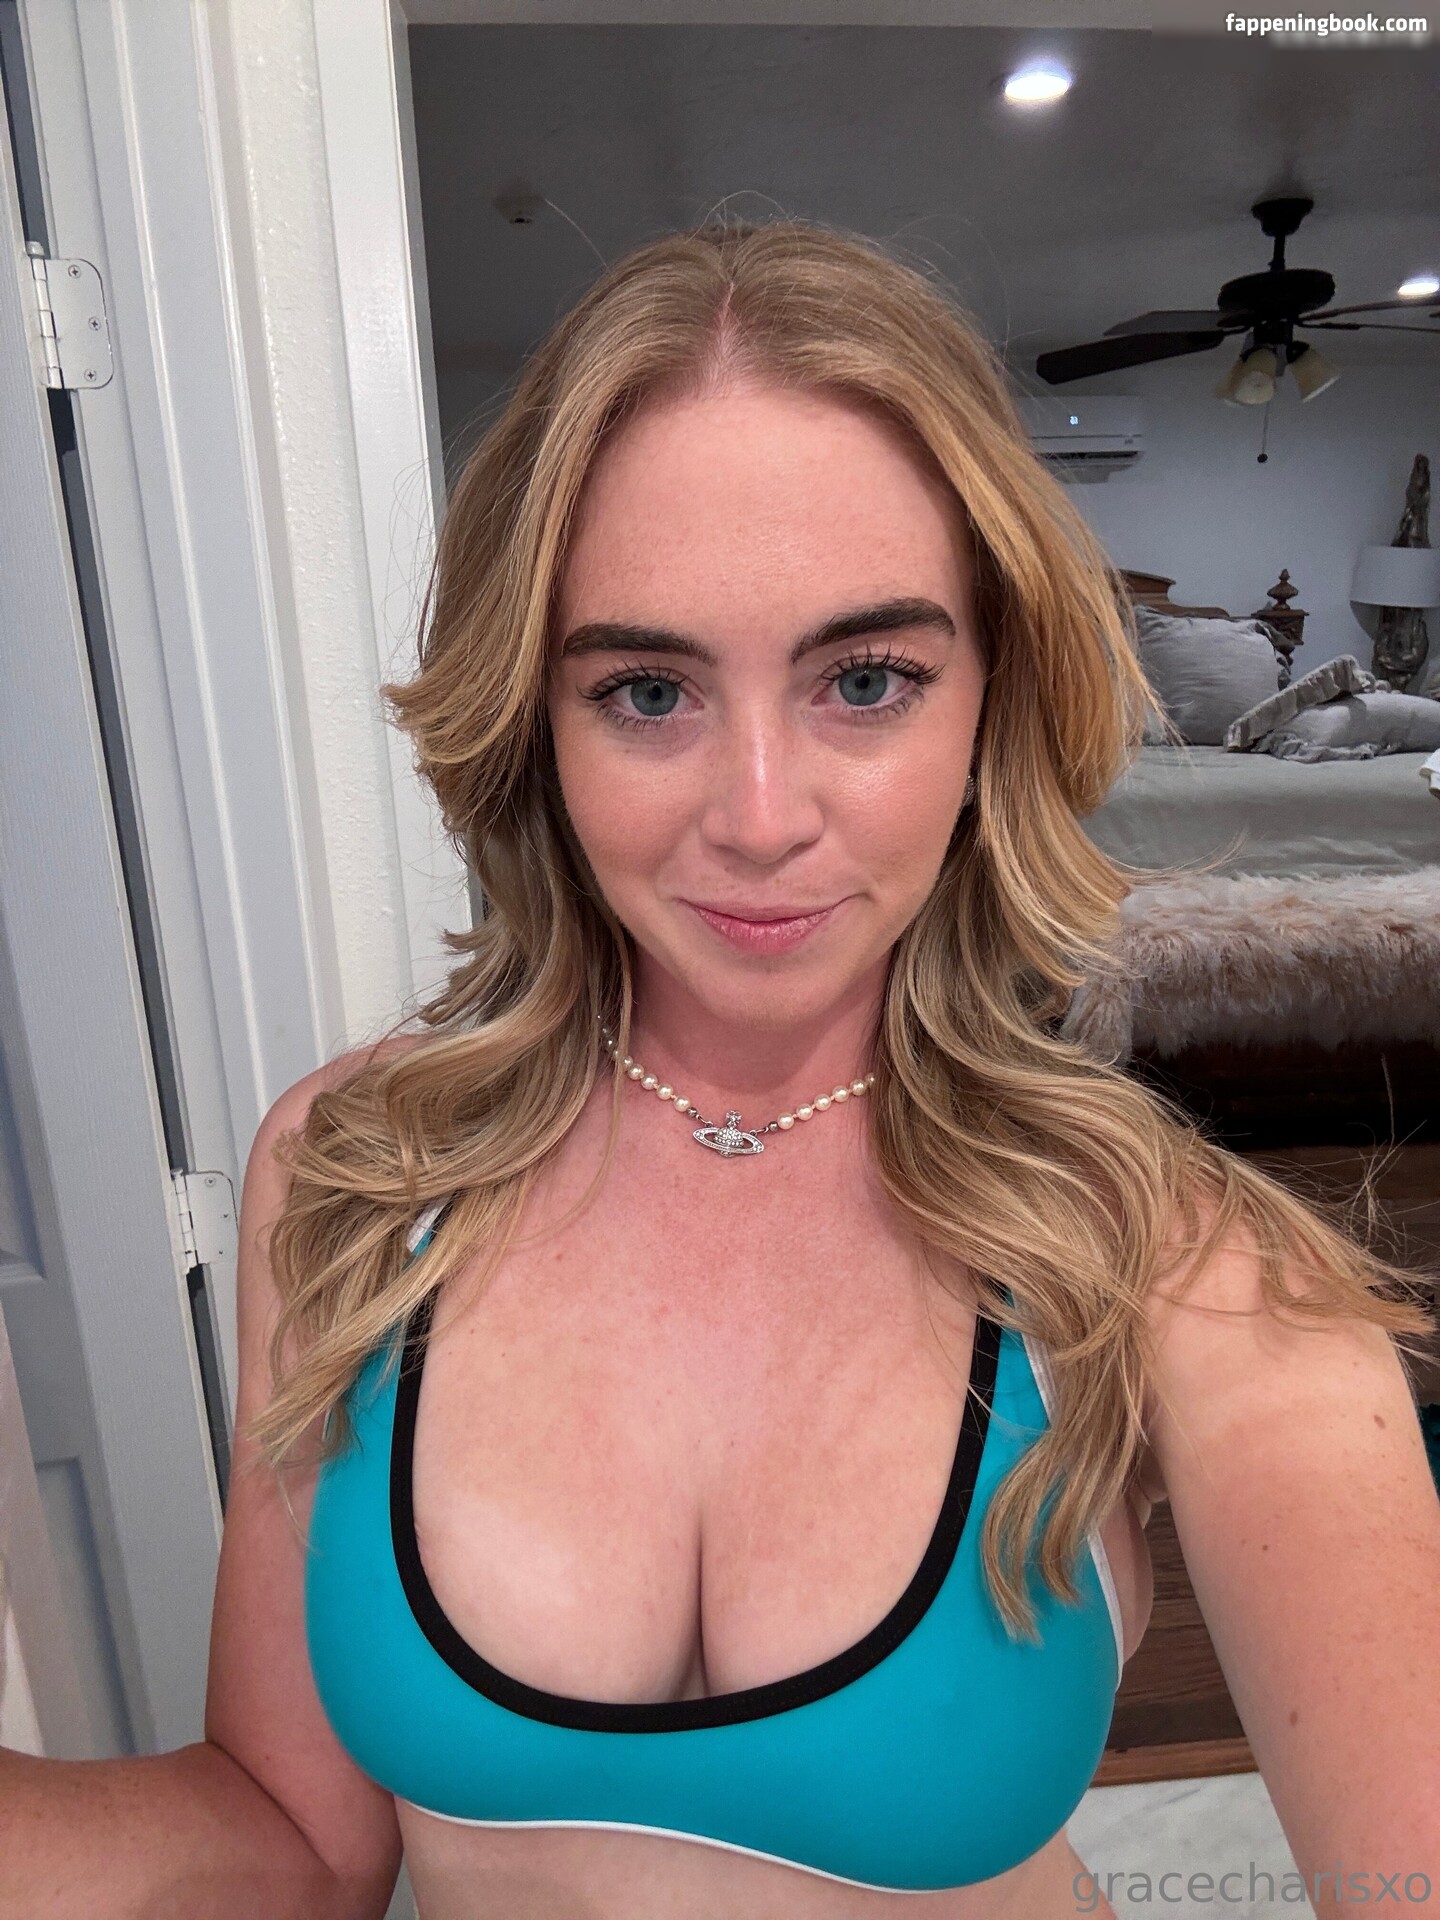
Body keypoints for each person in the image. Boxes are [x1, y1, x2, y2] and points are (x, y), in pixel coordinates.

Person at [4, 217, 1438, 1920]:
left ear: (993, 700)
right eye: (647, 692)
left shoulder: (1178, 1263)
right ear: (532, 721)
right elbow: (293, 1845)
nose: (760, 817)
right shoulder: (354, 1176)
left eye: (867, 680)